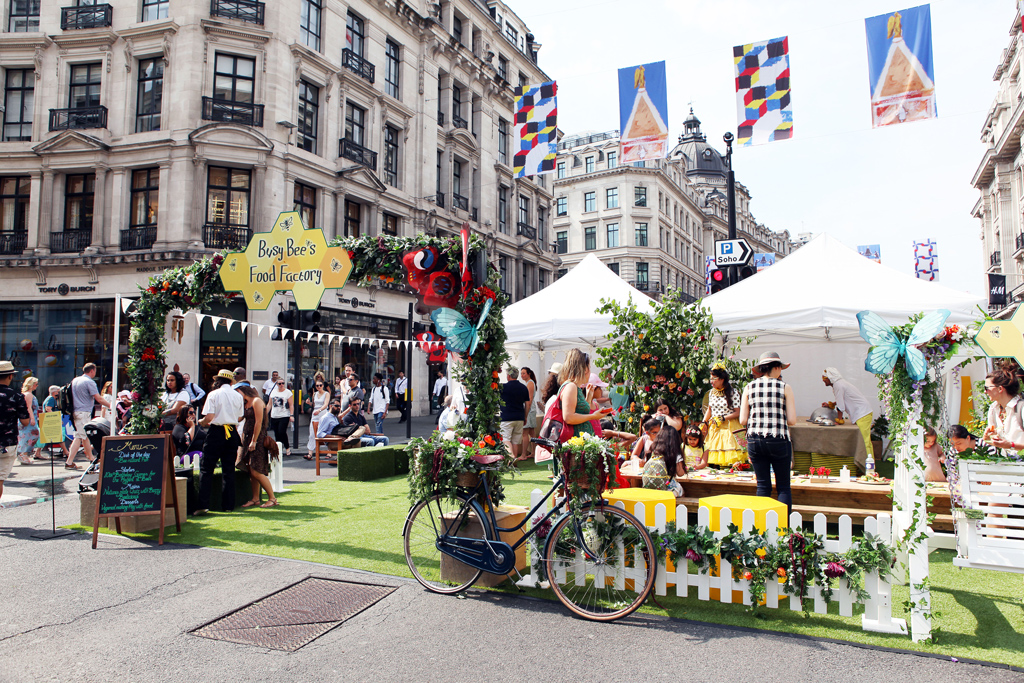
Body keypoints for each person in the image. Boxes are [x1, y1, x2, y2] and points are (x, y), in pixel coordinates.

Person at [740, 351, 798, 516]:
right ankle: (783, 530)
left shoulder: (749, 387)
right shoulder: (785, 387)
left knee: (763, 485)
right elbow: (792, 420)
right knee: (783, 487)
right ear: (778, 368)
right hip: (778, 439)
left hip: (755, 440)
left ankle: (761, 528)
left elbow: (743, 419)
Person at [196, 369, 244, 515]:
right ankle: (228, 505)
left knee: (206, 468)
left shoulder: (214, 394)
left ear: (218, 381)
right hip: (231, 431)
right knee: (228, 470)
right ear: (230, 382)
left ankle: (203, 505)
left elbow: (209, 417)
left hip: (217, 431)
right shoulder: (237, 395)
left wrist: (202, 422)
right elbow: (240, 418)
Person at [235, 385, 279, 509]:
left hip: (257, 439)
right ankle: (255, 498)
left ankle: (272, 498)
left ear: (242, 391)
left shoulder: (256, 401)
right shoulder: (245, 403)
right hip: (247, 437)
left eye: (237, 392)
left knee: (256, 471)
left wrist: (254, 441)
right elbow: (239, 418)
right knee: (251, 470)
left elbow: (259, 422)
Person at [822, 367, 874, 470]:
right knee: (864, 441)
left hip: (863, 413)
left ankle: (870, 468)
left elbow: (841, 405)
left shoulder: (838, 385)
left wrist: (839, 420)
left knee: (865, 441)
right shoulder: (839, 384)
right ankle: (863, 465)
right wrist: (831, 404)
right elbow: (844, 399)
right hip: (862, 413)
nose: (823, 380)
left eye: (825, 378)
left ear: (830, 377)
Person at [556, 349, 612, 439]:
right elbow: (568, 417)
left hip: (578, 442)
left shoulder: (573, 387)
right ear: (585, 369)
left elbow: (578, 411)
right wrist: (593, 416)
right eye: (589, 367)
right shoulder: (571, 386)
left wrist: (588, 399)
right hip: (574, 442)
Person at [66, 363, 110, 470]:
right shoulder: (89, 382)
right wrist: (111, 405)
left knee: (79, 436)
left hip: (76, 411)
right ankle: (91, 459)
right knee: (84, 436)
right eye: (95, 371)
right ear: (92, 371)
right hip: (84, 412)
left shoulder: (75, 380)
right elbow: (98, 398)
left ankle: (70, 462)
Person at [703, 364, 746, 467]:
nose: (711, 381)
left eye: (714, 378)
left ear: (722, 379)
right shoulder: (711, 393)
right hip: (715, 428)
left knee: (731, 457)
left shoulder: (733, 392)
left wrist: (723, 418)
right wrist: (703, 422)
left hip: (729, 428)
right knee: (717, 457)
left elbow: (737, 412)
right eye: (710, 378)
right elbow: (710, 409)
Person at [0, 361, 31, 503]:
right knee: (0, 479)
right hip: (7, 442)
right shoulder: (17, 397)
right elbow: (25, 422)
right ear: (11, 376)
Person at [983, 370, 1024, 454]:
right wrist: (988, 439)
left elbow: (1008, 445)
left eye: (987, 388)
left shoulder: (1021, 408)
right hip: (1007, 464)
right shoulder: (993, 409)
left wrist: (1011, 445)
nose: (985, 392)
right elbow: (998, 443)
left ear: (1000, 388)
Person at [642, 424, 686, 497]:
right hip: (665, 489)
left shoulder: (654, 450)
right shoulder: (675, 453)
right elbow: (680, 473)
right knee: (682, 490)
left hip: (649, 488)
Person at [500, 367, 531, 460]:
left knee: (505, 439)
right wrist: (525, 416)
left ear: (508, 376)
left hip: (506, 417)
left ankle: (511, 456)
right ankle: (515, 462)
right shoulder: (523, 387)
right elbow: (528, 404)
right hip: (519, 417)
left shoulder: (503, 387)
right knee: (515, 441)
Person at [17, 376, 41, 464]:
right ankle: (23, 453)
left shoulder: (28, 394)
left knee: (27, 436)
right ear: (31, 385)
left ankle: (24, 454)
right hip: (29, 419)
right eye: (35, 384)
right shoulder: (28, 394)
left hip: (29, 418)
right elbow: (28, 407)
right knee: (29, 436)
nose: (37, 386)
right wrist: (32, 418)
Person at [267, 377, 294, 457]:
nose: (281, 385)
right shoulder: (273, 392)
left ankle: (287, 447)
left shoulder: (288, 392)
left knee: (282, 432)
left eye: (283, 383)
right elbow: (269, 404)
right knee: (276, 433)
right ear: (277, 384)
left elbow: (291, 404)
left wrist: (291, 415)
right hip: (274, 415)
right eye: (280, 383)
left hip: (284, 415)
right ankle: (278, 448)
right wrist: (265, 413)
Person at [305, 378, 330, 459]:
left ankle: (329, 452)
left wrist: (319, 410)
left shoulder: (326, 394)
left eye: (320, 385)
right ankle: (310, 453)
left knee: (324, 432)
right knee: (312, 432)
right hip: (315, 413)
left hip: (322, 413)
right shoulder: (315, 394)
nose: (319, 387)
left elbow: (326, 404)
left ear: (323, 386)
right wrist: (309, 403)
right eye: (317, 385)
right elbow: (314, 405)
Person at [42, 385, 70, 460]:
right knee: (60, 436)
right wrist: (56, 419)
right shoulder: (51, 399)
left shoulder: (48, 398)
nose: (59, 393)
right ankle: (66, 452)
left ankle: (37, 452)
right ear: (54, 392)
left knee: (47, 437)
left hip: (47, 420)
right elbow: (48, 409)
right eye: (58, 391)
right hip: (51, 421)